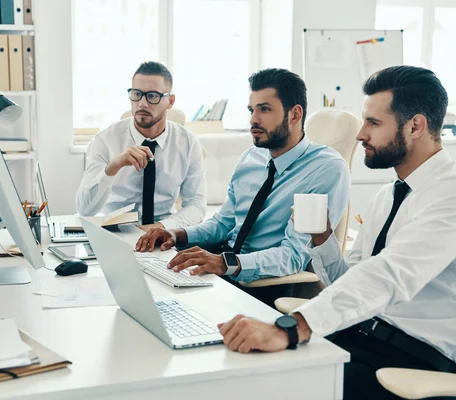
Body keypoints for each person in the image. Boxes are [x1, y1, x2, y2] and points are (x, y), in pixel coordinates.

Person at [217, 66, 456, 400]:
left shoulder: (449, 192)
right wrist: (322, 240)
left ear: (415, 125)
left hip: (413, 359)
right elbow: (350, 280)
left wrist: (294, 327)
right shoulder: (385, 197)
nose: (360, 135)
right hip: (359, 336)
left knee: (271, 387)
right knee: (236, 368)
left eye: (373, 123)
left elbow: (390, 275)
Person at [136, 68, 351, 306]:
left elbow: (293, 256)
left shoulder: (326, 169)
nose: (253, 120)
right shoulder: (252, 158)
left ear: (294, 114)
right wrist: (178, 235)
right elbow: (224, 223)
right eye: (252, 110)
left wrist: (225, 263)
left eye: (265, 109)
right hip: (223, 265)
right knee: (145, 291)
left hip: (260, 284)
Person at [76, 61, 206, 231]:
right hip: (113, 233)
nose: (142, 103)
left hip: (164, 233)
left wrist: (160, 228)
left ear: (170, 101)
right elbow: (85, 209)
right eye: (137, 94)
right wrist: (113, 166)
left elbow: (196, 205)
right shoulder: (105, 140)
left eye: (152, 96)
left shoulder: (188, 143)